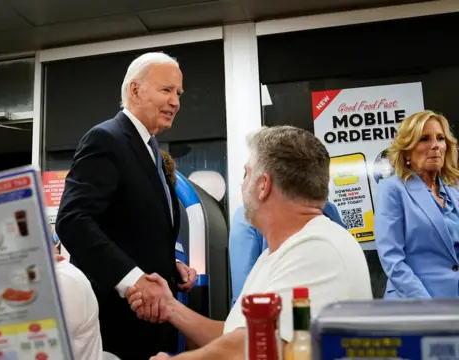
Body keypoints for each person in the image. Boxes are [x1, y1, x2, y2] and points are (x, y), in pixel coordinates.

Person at [126, 126, 372, 359]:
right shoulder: (277, 253)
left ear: (263, 185)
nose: (242, 185)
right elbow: (235, 335)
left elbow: (253, 348)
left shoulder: (317, 248)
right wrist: (170, 308)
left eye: (246, 174)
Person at [56, 52, 197, 360]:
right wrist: (133, 280)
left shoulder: (151, 150)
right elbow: (73, 220)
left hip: (152, 322)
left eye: (178, 93)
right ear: (135, 90)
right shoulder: (106, 139)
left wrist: (168, 266)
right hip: (119, 322)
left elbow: (129, 226)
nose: (175, 102)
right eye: (166, 90)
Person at [376, 110, 459, 299]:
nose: (435, 146)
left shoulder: (455, 188)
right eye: (424, 139)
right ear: (406, 151)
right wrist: (428, 307)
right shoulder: (392, 189)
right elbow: (392, 260)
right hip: (416, 305)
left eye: (440, 138)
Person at [229, 201, 346, 304]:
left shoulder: (246, 217)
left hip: (277, 310)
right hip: (328, 306)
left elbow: (243, 298)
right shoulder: (329, 210)